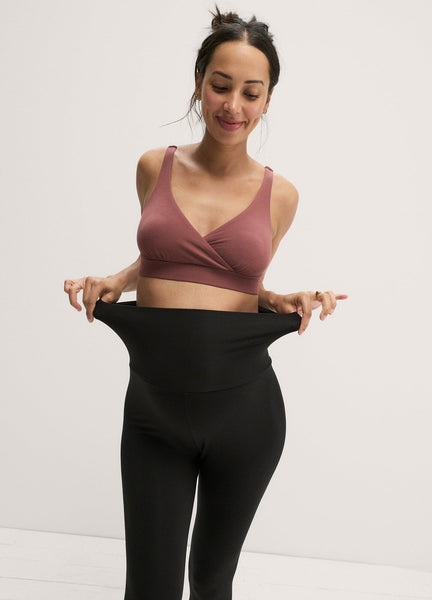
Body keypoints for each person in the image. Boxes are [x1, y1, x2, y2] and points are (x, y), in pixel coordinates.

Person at [64, 6, 347, 600]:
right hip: (154, 414)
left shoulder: (281, 195)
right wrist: (117, 279)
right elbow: (166, 258)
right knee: (150, 587)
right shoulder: (154, 167)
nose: (232, 106)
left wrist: (278, 298)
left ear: (268, 100)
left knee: (212, 582)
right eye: (220, 86)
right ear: (198, 83)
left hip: (245, 415)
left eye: (251, 92)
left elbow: (237, 280)